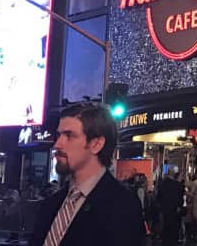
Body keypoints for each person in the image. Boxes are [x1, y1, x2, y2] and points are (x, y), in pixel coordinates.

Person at [28, 101, 144, 246]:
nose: (58, 144)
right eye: (59, 135)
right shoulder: (51, 204)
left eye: (69, 136)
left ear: (96, 144)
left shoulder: (122, 205)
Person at [159, 171, 185, 246]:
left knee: (166, 227)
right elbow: (180, 199)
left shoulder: (162, 184)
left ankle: (165, 241)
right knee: (174, 229)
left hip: (165, 210)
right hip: (175, 210)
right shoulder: (178, 185)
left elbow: (159, 198)